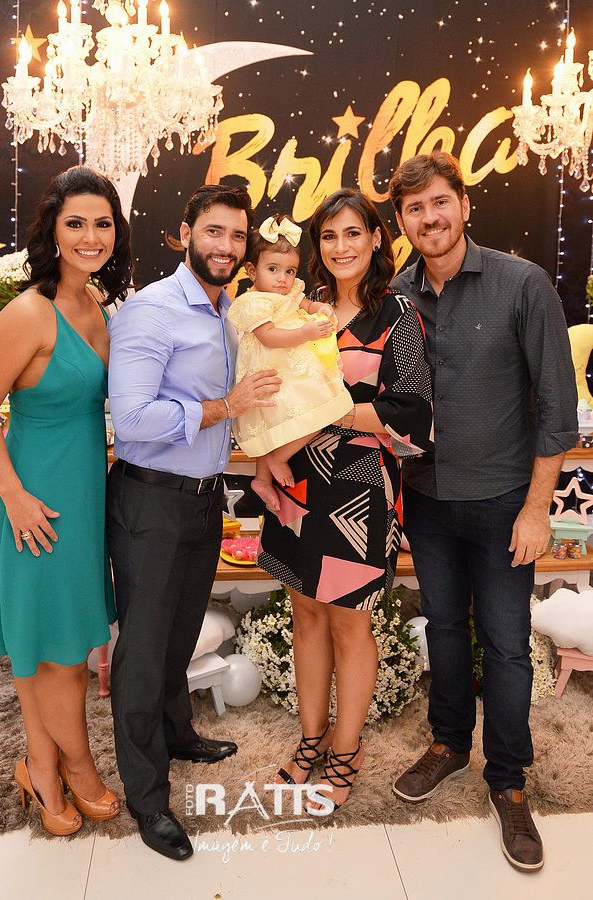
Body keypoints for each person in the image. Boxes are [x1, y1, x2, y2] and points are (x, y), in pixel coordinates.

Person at [388, 151, 578, 871]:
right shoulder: (395, 294)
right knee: (442, 628)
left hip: (503, 503)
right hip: (426, 500)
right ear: (401, 220)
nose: (429, 217)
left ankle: (508, 780)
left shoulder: (521, 283)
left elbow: (556, 409)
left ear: (464, 205)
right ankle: (447, 745)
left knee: (504, 646)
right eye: (414, 208)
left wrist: (537, 510)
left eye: (440, 202)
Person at [106, 183, 281, 861]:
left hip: (206, 498)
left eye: (237, 236)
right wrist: (224, 406)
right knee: (143, 652)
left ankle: (177, 735)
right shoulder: (151, 311)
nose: (226, 246)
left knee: (180, 634)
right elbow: (132, 419)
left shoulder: (232, 310)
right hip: (150, 500)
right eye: (214, 231)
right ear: (185, 234)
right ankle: (147, 797)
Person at [0, 166, 133, 836]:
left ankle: (39, 766)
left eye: (102, 223)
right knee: (58, 657)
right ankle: (80, 769)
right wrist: (14, 497)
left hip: (80, 499)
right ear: (53, 232)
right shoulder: (29, 312)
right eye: (76, 223)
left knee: (54, 646)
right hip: (33, 504)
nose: (91, 236)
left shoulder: (95, 305)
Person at [258, 189, 433, 812]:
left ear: (377, 238)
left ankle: (346, 749)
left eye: (353, 233)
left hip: (359, 495)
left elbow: (411, 416)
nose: (341, 247)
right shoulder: (302, 308)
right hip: (296, 481)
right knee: (305, 613)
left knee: (350, 622)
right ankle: (311, 740)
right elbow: (274, 386)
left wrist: (331, 413)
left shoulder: (397, 314)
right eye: (329, 236)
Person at [228, 214, 353, 512]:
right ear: (251, 270)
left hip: (295, 367)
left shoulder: (288, 291)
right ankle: (277, 459)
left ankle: (262, 479)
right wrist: (305, 333)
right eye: (273, 269)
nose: (282, 279)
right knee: (315, 409)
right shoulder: (254, 302)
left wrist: (318, 307)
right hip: (274, 370)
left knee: (314, 411)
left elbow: (303, 303)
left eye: (289, 271)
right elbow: (268, 336)